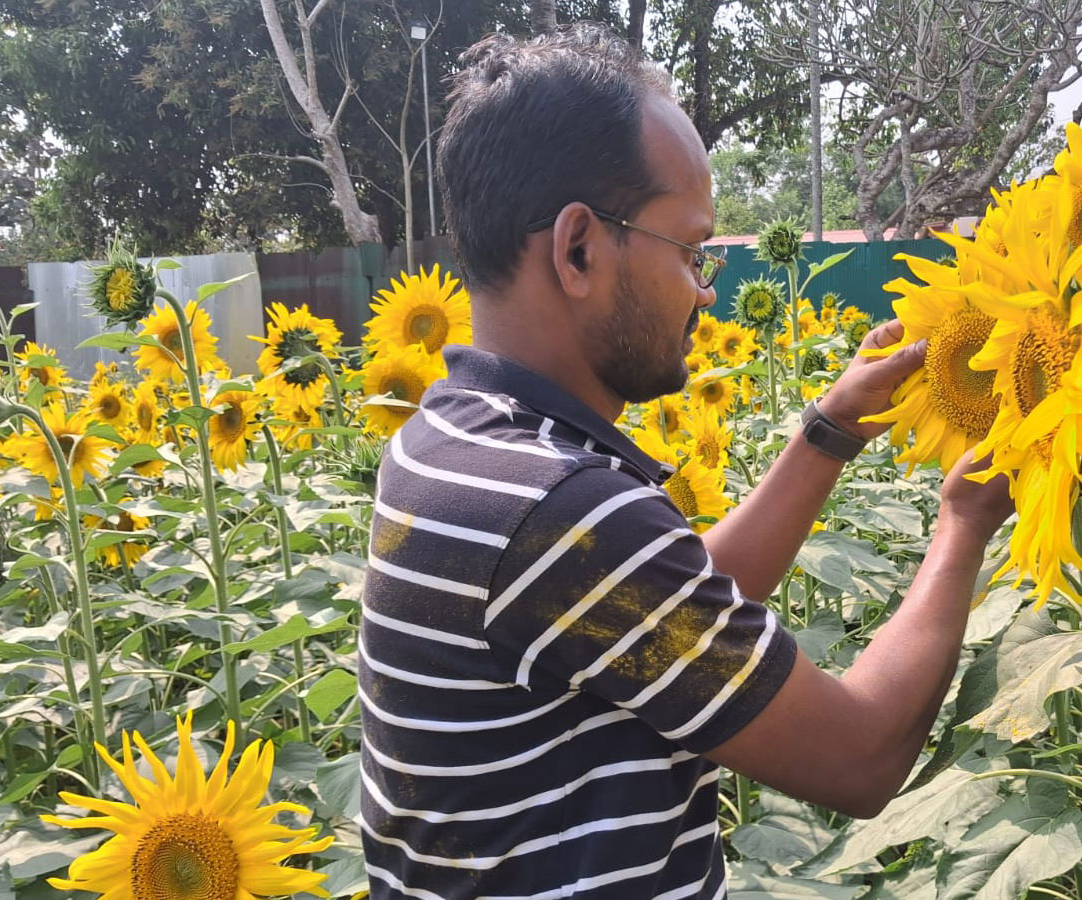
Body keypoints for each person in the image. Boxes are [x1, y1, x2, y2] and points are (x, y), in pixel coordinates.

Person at [358, 24, 1016, 900]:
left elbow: (662, 606)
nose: (707, 291)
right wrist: (964, 525)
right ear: (579, 248)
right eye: (692, 251)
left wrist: (828, 432)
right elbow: (859, 757)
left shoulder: (452, 444)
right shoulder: (556, 511)